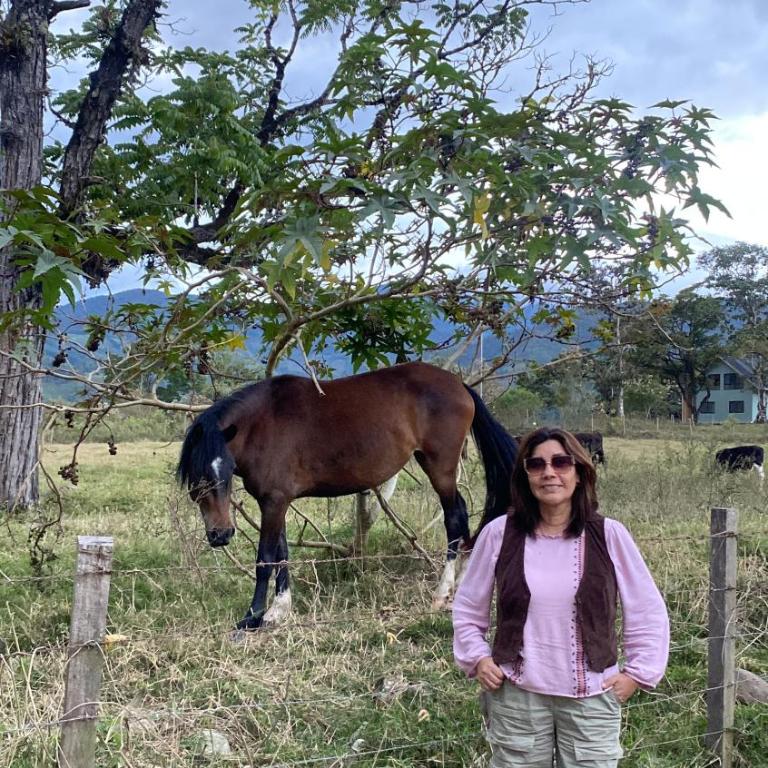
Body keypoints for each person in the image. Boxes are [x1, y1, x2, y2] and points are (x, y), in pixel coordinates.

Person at [452, 427, 669, 767]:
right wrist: (478, 658)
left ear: (579, 473)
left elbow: (646, 610)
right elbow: (467, 608)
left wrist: (637, 674)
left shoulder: (609, 535)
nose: (549, 472)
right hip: (517, 696)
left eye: (561, 462)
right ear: (525, 475)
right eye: (536, 464)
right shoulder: (499, 534)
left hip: (592, 698)